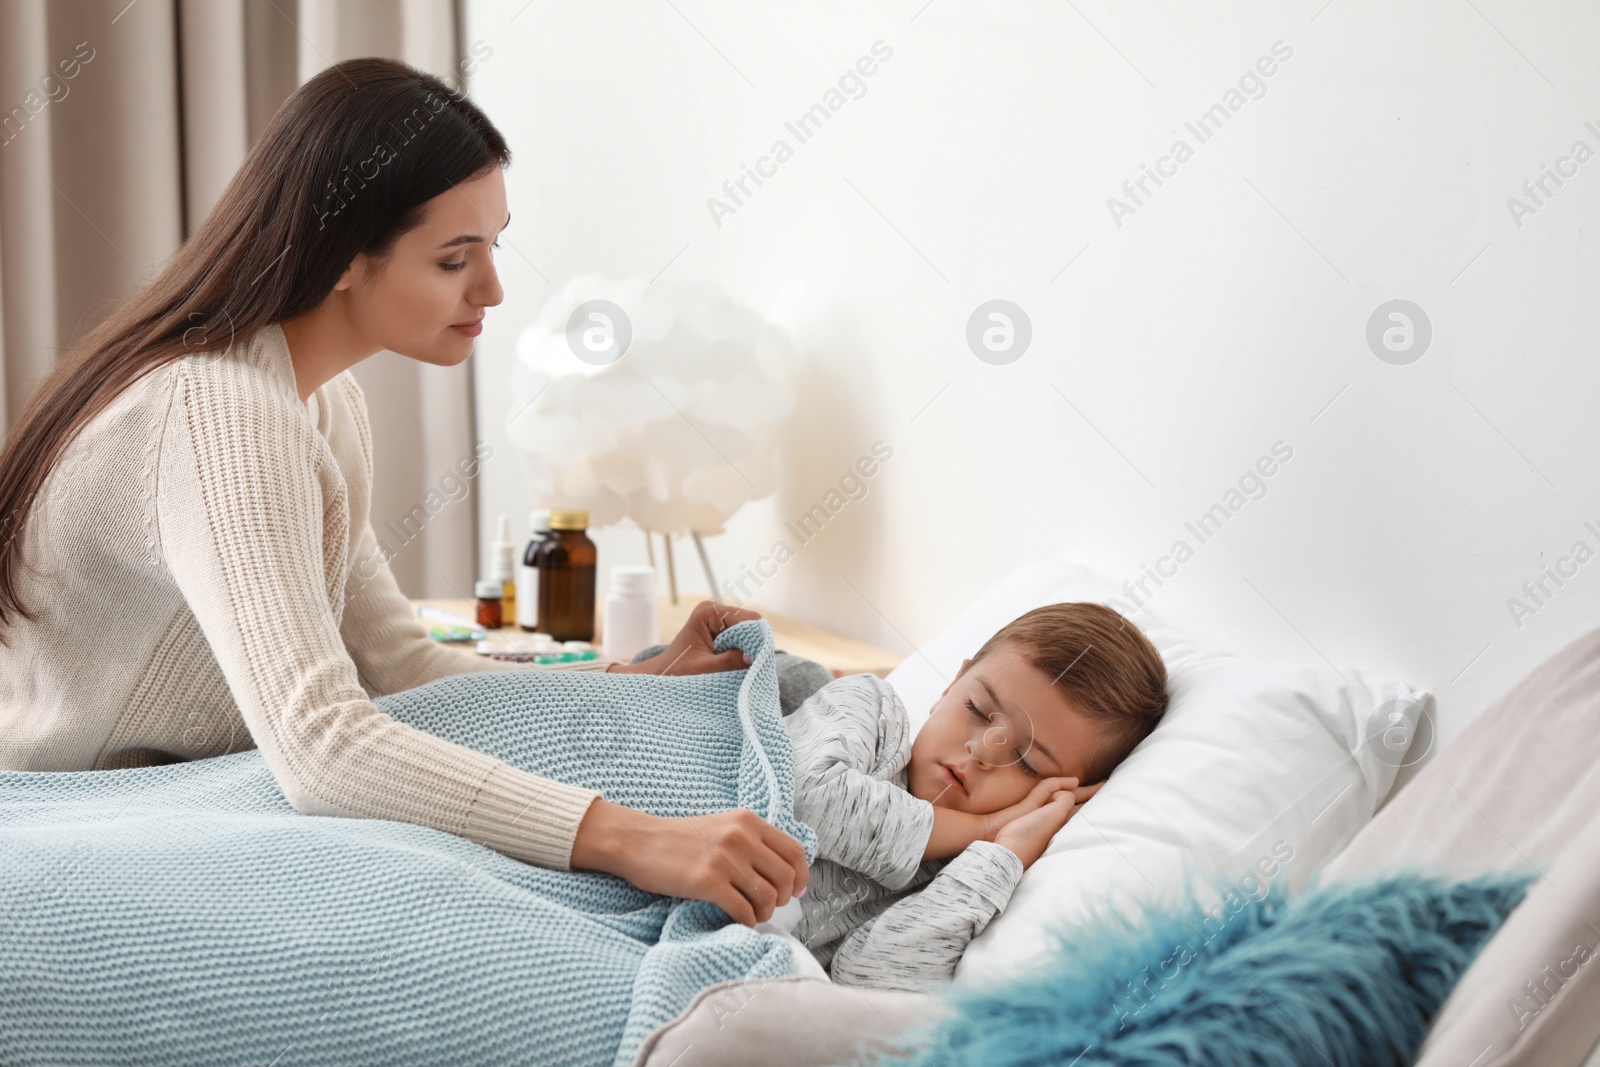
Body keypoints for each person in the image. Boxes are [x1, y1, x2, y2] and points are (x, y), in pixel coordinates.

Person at [0, 57, 807, 928]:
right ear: (345, 255)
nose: (492, 289)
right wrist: (638, 838)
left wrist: (627, 682)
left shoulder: (322, 403)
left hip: (185, 794)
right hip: (73, 813)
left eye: (493, 247)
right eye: (455, 258)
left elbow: (401, 668)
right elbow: (325, 745)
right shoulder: (221, 409)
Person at [781, 601, 1170, 990]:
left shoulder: (963, 877)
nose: (983, 749)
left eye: (1025, 761)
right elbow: (805, 799)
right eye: (978, 709)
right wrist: (983, 826)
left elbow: (868, 982)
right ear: (951, 685)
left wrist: (1004, 854)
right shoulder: (871, 710)